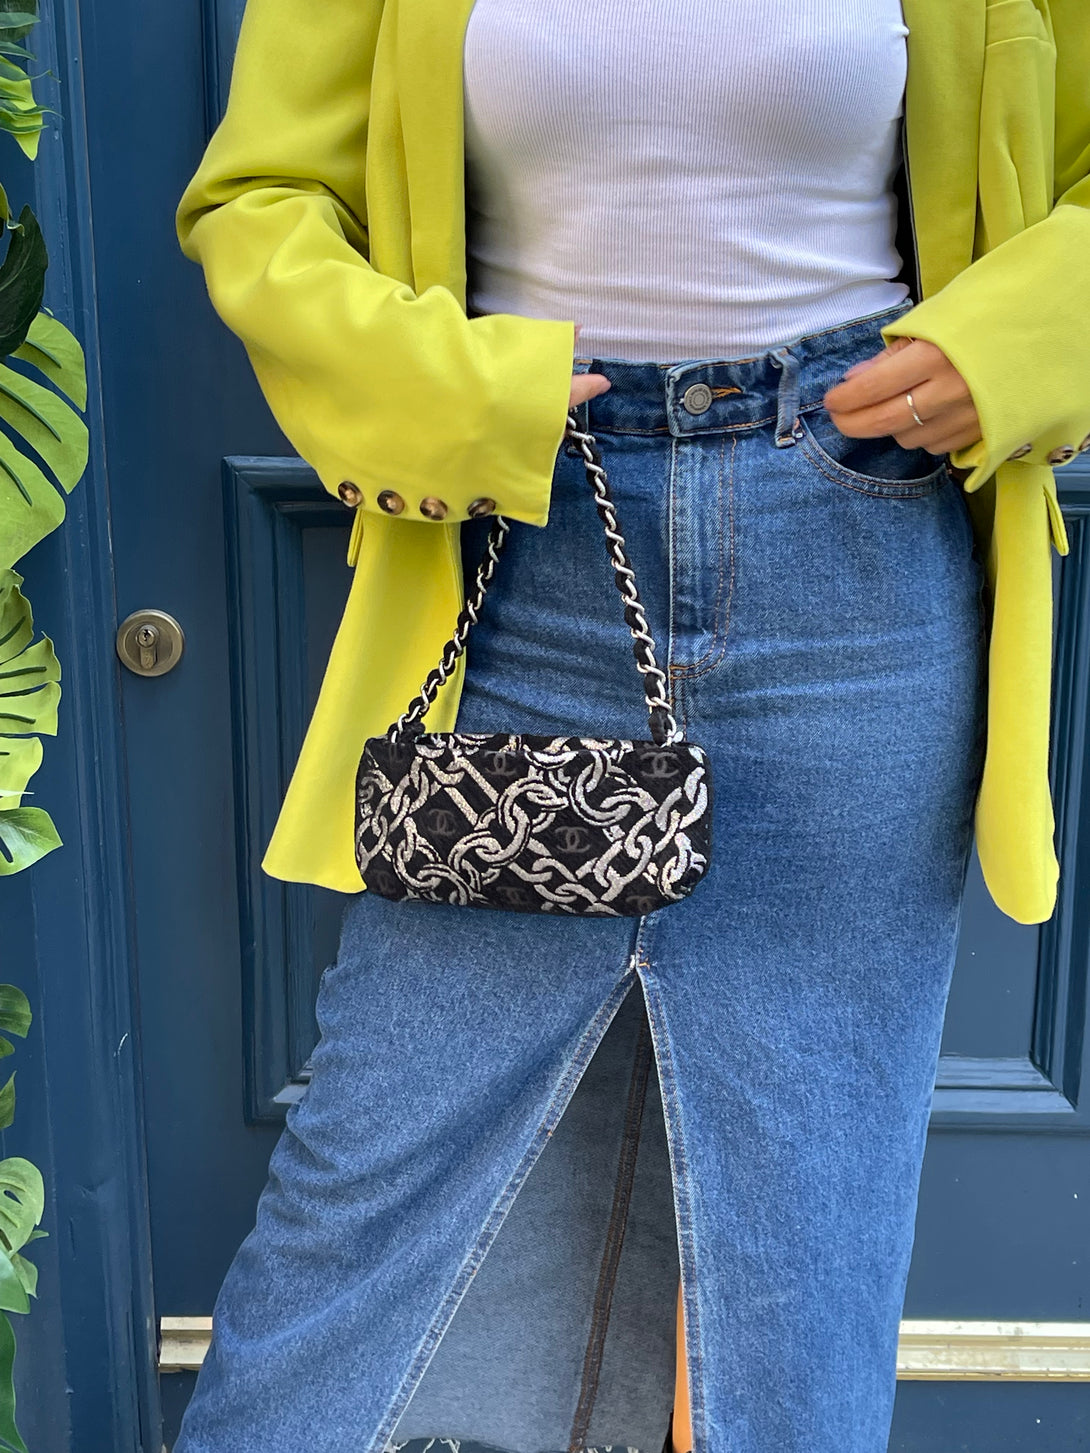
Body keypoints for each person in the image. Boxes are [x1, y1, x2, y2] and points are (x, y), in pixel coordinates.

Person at [172, 3, 1090, 1451]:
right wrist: (450, 394)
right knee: (374, 1178)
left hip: (853, 564)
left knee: (809, 1200)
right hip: (523, 559)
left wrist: (1019, 342)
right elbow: (261, 198)